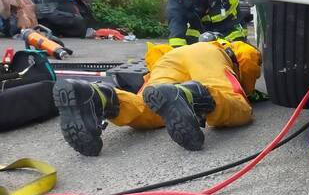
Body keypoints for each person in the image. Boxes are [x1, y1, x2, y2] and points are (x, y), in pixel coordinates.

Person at [52, 35, 261, 155]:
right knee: (236, 106)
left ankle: (99, 95)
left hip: (167, 59)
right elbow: (250, 59)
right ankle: (194, 96)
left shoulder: (172, 50)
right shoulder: (221, 46)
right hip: (206, 57)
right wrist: (247, 89)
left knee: (147, 107)